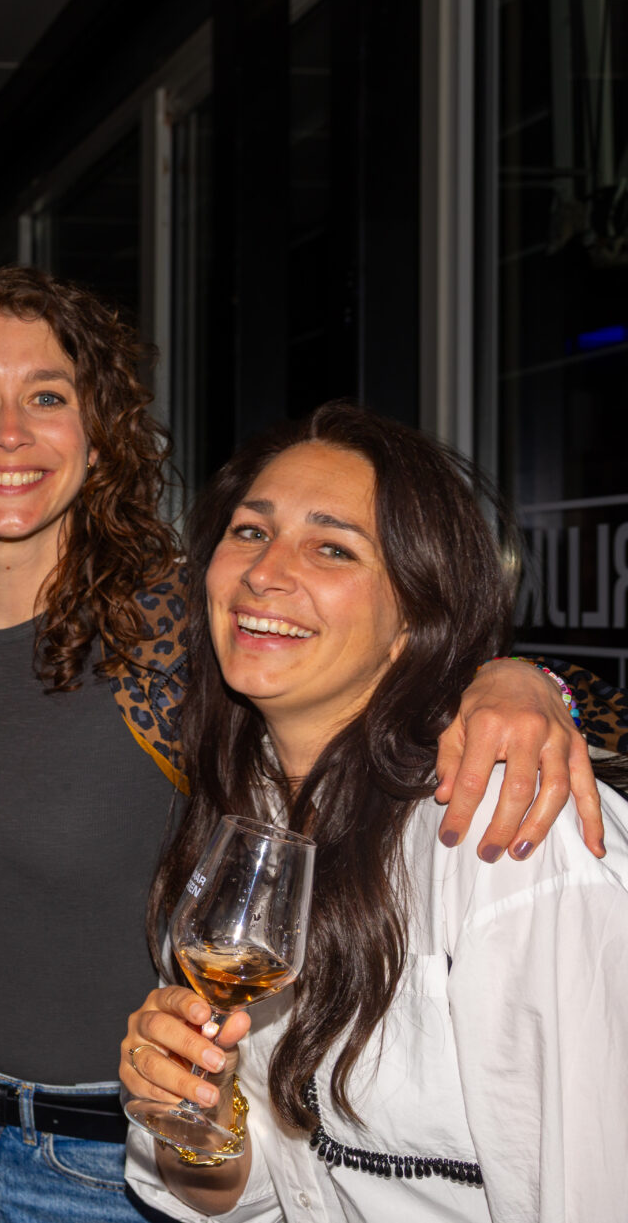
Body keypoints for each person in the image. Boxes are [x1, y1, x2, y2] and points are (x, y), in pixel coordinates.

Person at [0, 267, 625, 1222]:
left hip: (130, 1156)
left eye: (48, 396)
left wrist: (517, 680)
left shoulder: (184, 624)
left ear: (100, 434)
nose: (8, 430)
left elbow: (427, 682)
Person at [118, 401, 628, 1221]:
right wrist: (196, 1116)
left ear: (414, 617)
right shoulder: (245, 815)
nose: (263, 572)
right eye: (250, 531)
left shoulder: (507, 833)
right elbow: (261, 1190)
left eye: (332, 547)